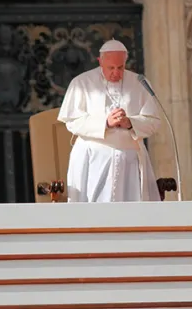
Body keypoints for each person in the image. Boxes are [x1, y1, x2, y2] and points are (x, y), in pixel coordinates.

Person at [57, 39, 161, 202]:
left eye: (120, 67)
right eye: (110, 68)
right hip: (92, 160)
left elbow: (154, 122)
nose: (116, 73)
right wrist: (105, 123)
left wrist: (130, 123)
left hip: (130, 161)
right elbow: (72, 121)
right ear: (100, 62)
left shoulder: (140, 83)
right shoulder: (82, 83)